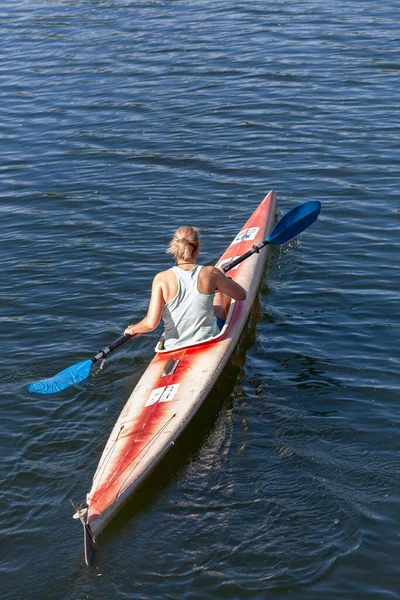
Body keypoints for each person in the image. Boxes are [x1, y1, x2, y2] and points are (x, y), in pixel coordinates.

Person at [124, 226, 247, 350]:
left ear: (174, 249)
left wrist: (133, 329)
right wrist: (222, 279)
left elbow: (151, 324)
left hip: (173, 346)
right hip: (208, 340)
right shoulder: (212, 273)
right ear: (198, 249)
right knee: (220, 294)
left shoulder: (160, 278)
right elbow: (241, 295)